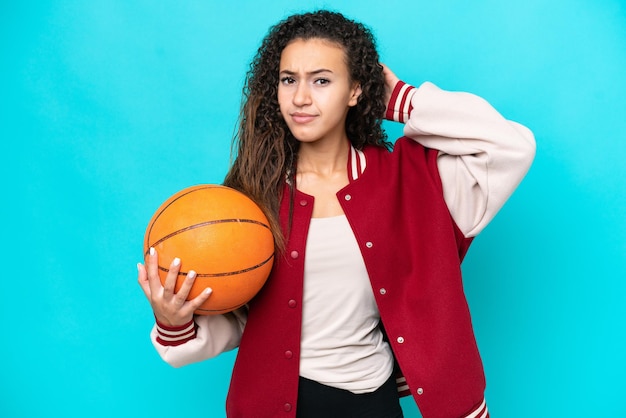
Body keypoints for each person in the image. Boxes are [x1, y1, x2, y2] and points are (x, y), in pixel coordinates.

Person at [137, 9, 535, 418]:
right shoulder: (251, 200)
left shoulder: (412, 182)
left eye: (322, 80)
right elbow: (243, 317)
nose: (301, 98)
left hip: (372, 401)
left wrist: (401, 98)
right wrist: (174, 321)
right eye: (288, 79)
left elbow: (511, 147)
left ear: (357, 91)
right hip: (274, 405)